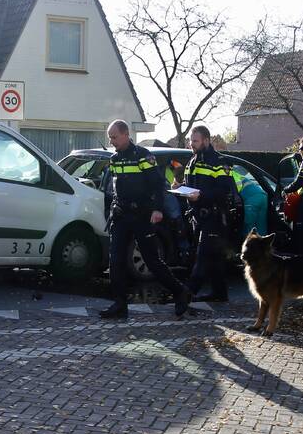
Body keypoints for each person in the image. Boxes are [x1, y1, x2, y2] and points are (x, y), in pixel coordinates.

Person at [100, 120, 191, 319]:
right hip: (121, 215)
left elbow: (158, 185)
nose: (111, 141)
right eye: (110, 138)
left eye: (114, 137)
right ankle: (120, 304)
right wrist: (112, 210)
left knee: (152, 260)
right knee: (115, 261)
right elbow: (115, 189)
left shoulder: (143, 156)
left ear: (125, 134)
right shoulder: (115, 159)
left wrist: (157, 209)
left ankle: (179, 291)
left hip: (142, 215)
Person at [176, 125, 235, 302]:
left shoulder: (219, 161)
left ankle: (185, 295)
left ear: (206, 141)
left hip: (215, 216)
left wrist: (201, 195)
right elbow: (190, 187)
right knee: (215, 258)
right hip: (198, 216)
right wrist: (179, 189)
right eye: (190, 140)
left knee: (202, 258)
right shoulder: (192, 161)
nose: (191, 144)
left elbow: (225, 191)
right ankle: (219, 293)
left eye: (195, 141)